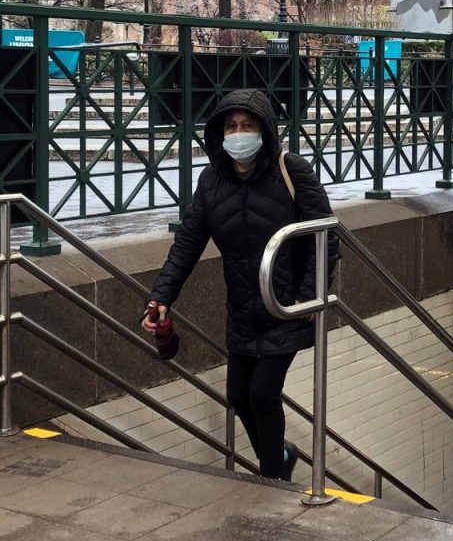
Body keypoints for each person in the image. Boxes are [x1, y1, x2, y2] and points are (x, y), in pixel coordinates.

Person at [142, 89, 336, 482]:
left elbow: (326, 235)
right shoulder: (212, 180)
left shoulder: (290, 169)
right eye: (230, 126)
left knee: (262, 393)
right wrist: (162, 297)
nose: (238, 133)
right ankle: (280, 456)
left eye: (247, 125)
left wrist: (306, 296)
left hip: (287, 307)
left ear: (265, 129)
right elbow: (188, 242)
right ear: (219, 133)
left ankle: (272, 480)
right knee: (238, 396)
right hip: (244, 309)